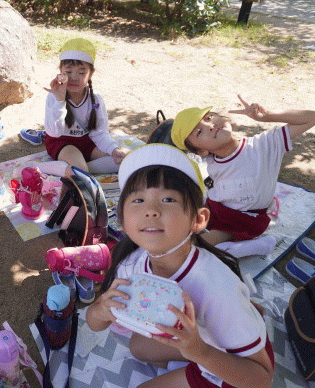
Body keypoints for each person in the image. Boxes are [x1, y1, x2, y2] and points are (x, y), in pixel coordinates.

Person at [85, 144, 275, 388]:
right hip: (198, 342)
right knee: (138, 347)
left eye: (168, 199)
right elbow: (94, 323)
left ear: (199, 219)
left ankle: (213, 349)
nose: (151, 210)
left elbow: (261, 379)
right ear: (121, 218)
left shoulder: (217, 287)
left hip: (230, 366)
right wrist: (100, 311)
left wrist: (200, 352)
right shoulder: (131, 264)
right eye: (138, 199)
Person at [170, 95, 315, 254]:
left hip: (243, 220)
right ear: (201, 151)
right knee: (176, 225)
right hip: (215, 209)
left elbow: (313, 118)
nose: (210, 125)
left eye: (208, 117)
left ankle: (260, 245)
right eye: (199, 132)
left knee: (195, 246)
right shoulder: (210, 159)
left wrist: (268, 116)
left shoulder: (264, 145)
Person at [40, 38, 128, 178]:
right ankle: (39, 167)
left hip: (86, 141)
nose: (74, 77)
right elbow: (54, 132)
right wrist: (60, 101)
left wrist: (113, 149)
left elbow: (99, 133)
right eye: (68, 71)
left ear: (91, 73)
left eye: (81, 73)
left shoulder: (95, 98)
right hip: (62, 142)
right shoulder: (54, 95)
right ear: (60, 71)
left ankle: (75, 169)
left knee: (124, 159)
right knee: (81, 169)